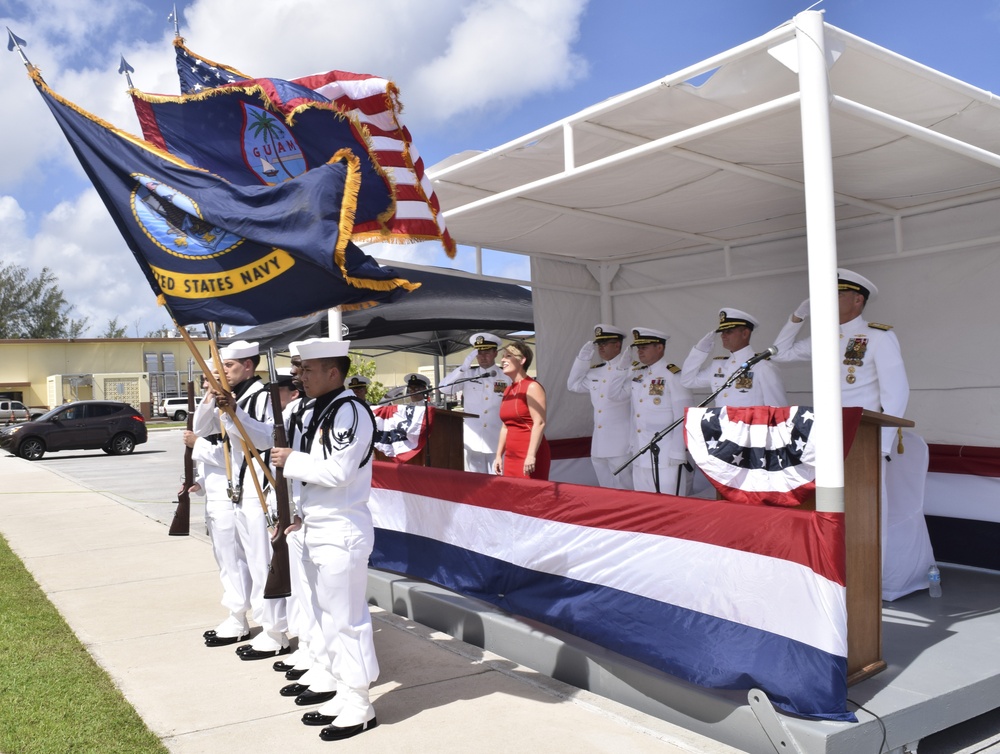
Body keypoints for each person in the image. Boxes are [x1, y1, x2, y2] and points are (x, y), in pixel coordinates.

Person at [270, 337, 380, 741]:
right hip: (318, 525)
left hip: (342, 528)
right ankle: (341, 688)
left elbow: (338, 472)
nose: (300, 375)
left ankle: (360, 702)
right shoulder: (324, 409)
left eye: (308, 369)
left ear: (333, 371)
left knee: (348, 619)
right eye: (300, 369)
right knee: (325, 615)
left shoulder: (350, 411)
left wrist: (290, 461)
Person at [192, 340, 288, 660]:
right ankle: (242, 617)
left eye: (229, 367)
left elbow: (262, 438)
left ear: (248, 365)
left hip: (261, 489)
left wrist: (232, 412)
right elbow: (200, 427)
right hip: (239, 489)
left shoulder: (262, 397)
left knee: (263, 564)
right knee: (239, 560)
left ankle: (274, 630)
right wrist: (214, 397)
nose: (224, 373)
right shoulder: (233, 395)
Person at [771, 268, 908, 454]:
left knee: (863, 484)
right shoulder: (824, 336)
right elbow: (780, 353)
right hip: (825, 433)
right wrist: (798, 316)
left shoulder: (878, 336)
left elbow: (895, 393)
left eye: (838, 295)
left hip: (862, 432)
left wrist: (881, 444)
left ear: (858, 300)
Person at [184, 376, 251, 648]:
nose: (205, 387)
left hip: (228, 498)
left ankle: (239, 617)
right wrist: (198, 482)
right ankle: (235, 615)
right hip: (214, 498)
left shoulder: (233, 411)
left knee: (234, 561)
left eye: (208, 382)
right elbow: (203, 433)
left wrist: (196, 445)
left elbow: (232, 456)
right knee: (224, 560)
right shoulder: (214, 411)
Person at [619, 327, 693, 494]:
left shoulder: (673, 376)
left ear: (660, 347)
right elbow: (618, 399)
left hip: (667, 456)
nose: (640, 352)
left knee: (670, 506)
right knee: (643, 505)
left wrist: (678, 452)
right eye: (638, 348)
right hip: (640, 452)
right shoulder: (638, 375)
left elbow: (683, 417)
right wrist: (621, 369)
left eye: (644, 347)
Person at [566, 324, 634, 489]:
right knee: (605, 488)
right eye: (599, 344)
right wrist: (582, 360)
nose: (600, 348)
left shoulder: (632, 370)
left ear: (617, 345)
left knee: (625, 488)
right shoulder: (596, 371)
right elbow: (573, 385)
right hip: (599, 442)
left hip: (622, 441)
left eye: (605, 343)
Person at [681, 308, 787, 407]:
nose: (723, 335)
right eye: (722, 332)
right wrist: (699, 352)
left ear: (745, 333)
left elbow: (777, 409)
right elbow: (687, 381)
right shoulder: (718, 365)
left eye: (729, 332)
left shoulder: (763, 367)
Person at [438, 333, 512, 474]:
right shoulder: (467, 375)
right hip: (473, 441)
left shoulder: (506, 376)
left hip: (497, 440)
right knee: (477, 486)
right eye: (479, 353)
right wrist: (462, 368)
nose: (482, 356)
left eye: (487, 352)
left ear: (495, 353)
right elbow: (444, 389)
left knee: (499, 483)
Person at [493, 341, 550, 480]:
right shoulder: (508, 389)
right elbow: (505, 426)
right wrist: (498, 455)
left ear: (522, 360)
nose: (502, 360)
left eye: (508, 356)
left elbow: (540, 423)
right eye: (503, 356)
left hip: (530, 453)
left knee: (532, 498)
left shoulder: (532, 387)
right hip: (511, 455)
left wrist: (531, 455)